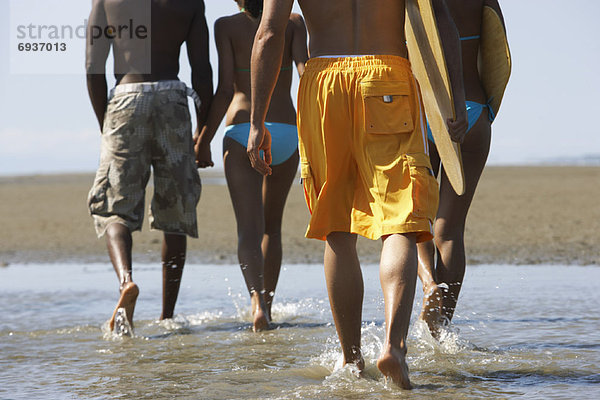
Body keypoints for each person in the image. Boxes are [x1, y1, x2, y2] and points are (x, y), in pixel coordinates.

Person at [247, 0, 467, 389]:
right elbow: (443, 23)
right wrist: (455, 96)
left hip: (322, 83)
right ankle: (393, 348)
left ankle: (350, 360)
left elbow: (268, 33)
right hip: (389, 74)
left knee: (336, 227)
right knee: (401, 220)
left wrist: (256, 121)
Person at [85, 0, 213, 333]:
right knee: (176, 211)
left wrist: (106, 122)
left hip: (126, 96)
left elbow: (92, 65)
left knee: (114, 209)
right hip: (172, 97)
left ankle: (126, 281)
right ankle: (167, 315)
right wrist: (204, 131)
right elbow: (202, 69)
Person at [194, 0, 308, 332]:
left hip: (243, 127)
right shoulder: (294, 22)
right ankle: (269, 307)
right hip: (288, 130)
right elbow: (306, 73)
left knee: (248, 228)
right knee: (272, 227)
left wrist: (203, 138)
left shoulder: (225, 27)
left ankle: (256, 301)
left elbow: (225, 89)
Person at [417, 0, 507, 338]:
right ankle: (440, 331)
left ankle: (429, 287)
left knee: (415, 222)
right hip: (472, 110)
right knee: (450, 232)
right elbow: (499, 56)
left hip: (424, 112)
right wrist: (485, 111)